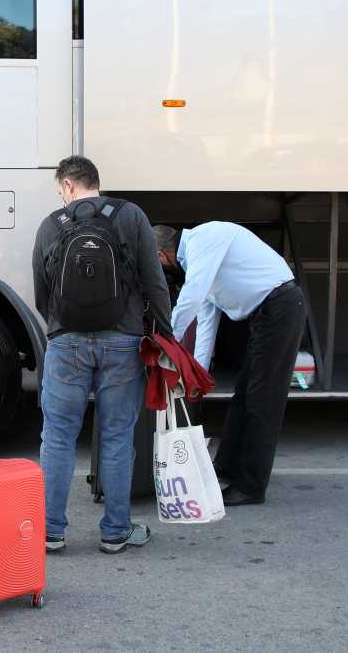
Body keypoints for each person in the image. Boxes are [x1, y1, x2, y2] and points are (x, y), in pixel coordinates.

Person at [32, 156, 174, 555]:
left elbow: (42, 291)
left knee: (57, 437)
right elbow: (154, 281)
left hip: (67, 342)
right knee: (116, 436)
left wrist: (59, 326)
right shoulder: (131, 217)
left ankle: (51, 532)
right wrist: (165, 333)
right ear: (96, 182)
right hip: (122, 342)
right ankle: (115, 531)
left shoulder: (51, 225)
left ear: (67, 186)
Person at [159, 222, 305, 506]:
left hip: (280, 308)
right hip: (268, 314)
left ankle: (251, 486)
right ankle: (225, 467)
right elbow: (206, 321)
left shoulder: (203, 240)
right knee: (244, 396)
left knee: (262, 401)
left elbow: (191, 298)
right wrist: (196, 376)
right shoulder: (198, 261)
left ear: (163, 254)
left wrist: (167, 341)